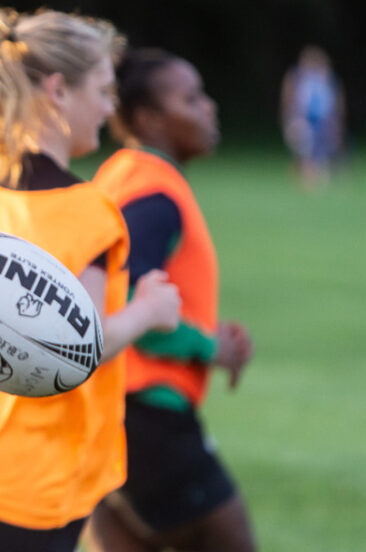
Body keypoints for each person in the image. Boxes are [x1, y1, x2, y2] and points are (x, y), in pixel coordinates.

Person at [0, 7, 181, 552]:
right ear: (58, 90)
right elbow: (82, 346)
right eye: (102, 90)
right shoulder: (86, 211)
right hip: (31, 474)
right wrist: (149, 311)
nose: (109, 108)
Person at [85, 48, 256, 552]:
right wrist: (210, 348)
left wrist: (204, 335)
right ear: (149, 119)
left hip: (98, 410)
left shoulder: (117, 176)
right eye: (191, 98)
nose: (209, 107)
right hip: (145, 415)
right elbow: (129, 302)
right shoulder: (154, 193)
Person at [280, 45, 345, 190]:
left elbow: (336, 104)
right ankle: (305, 180)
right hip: (302, 120)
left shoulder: (328, 79)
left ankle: (318, 180)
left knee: (321, 152)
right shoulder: (295, 78)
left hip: (324, 123)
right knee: (305, 150)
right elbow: (288, 101)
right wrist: (288, 120)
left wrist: (337, 124)